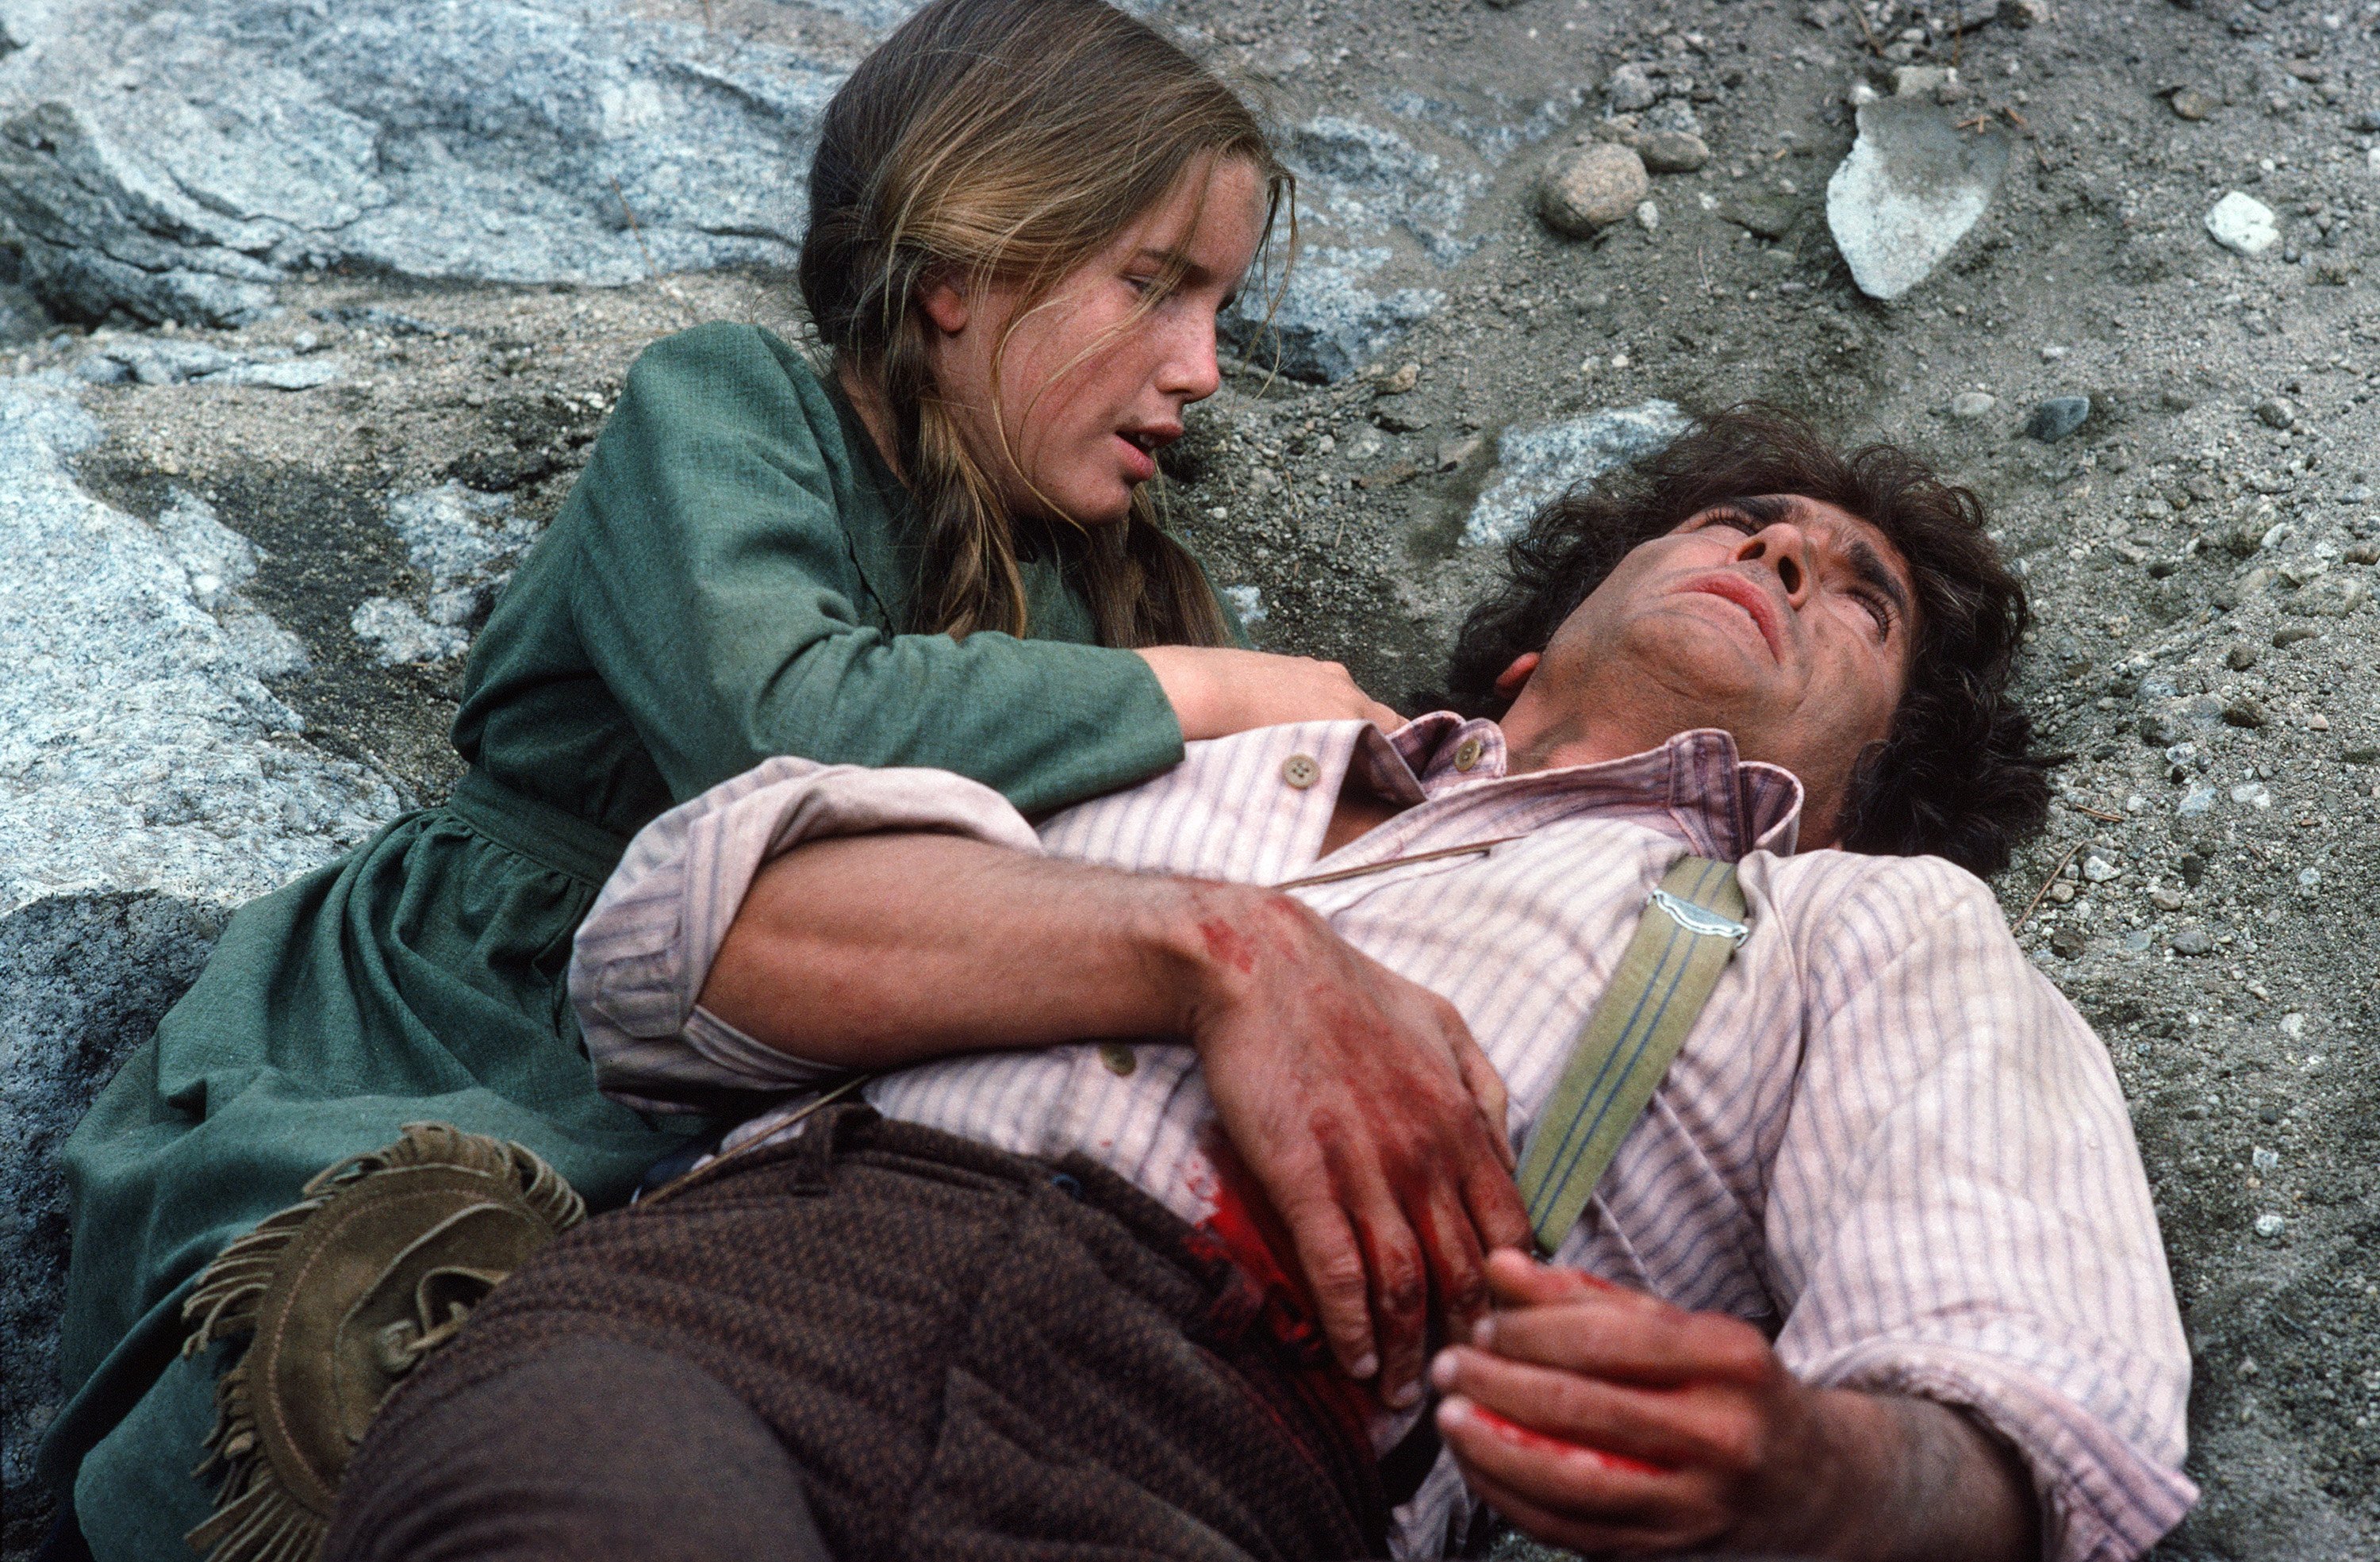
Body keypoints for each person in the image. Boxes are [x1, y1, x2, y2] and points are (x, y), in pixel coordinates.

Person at [324, 411, 2198, 1562]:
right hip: (746, 1302)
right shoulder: (1226, 747)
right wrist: (1224, 941)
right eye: (1741, 524)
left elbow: (2037, 1411)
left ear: (1874, 779)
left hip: (1222, 1470)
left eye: (1857, 593)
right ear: (1545, 632)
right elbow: (683, 946)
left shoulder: (1870, 927)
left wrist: (1809, 1474)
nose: (1785, 551)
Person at [41, 3, 1407, 1556]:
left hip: (825, 1071)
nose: (1205, 368)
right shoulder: (729, 409)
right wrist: (1211, 691)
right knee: (367, 1275)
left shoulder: (1120, 597)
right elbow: (772, 714)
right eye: (1152, 288)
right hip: (483, 1018)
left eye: (1218, 305)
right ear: (959, 268)